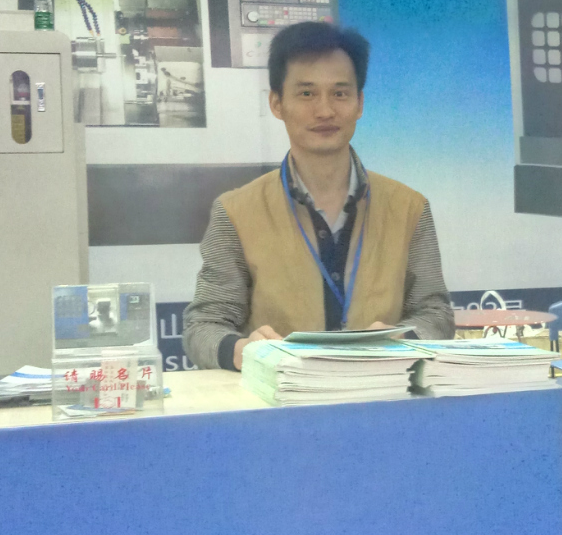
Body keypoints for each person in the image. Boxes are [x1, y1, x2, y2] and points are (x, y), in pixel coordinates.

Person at [183, 22, 454, 370]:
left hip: (382, 391)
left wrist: (405, 338)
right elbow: (203, 326)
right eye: (307, 94)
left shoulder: (409, 208)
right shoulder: (235, 212)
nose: (325, 111)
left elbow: (436, 313)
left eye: (340, 94)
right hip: (281, 396)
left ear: (359, 103)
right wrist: (242, 350)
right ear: (277, 103)